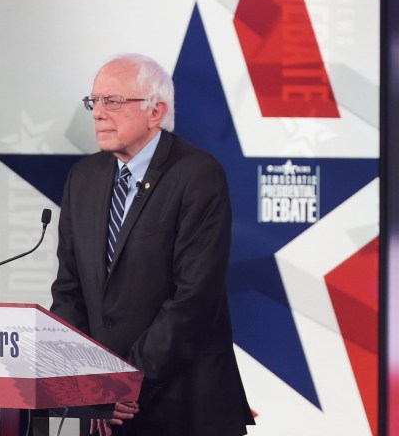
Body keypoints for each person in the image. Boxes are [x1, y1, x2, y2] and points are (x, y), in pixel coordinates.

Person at [51, 53, 253, 435]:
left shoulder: (197, 175)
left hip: (183, 405)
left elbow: (193, 298)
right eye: (94, 101)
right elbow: (68, 289)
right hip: (105, 410)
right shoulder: (84, 178)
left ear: (155, 112)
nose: (97, 113)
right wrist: (89, 383)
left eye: (113, 101)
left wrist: (125, 383)